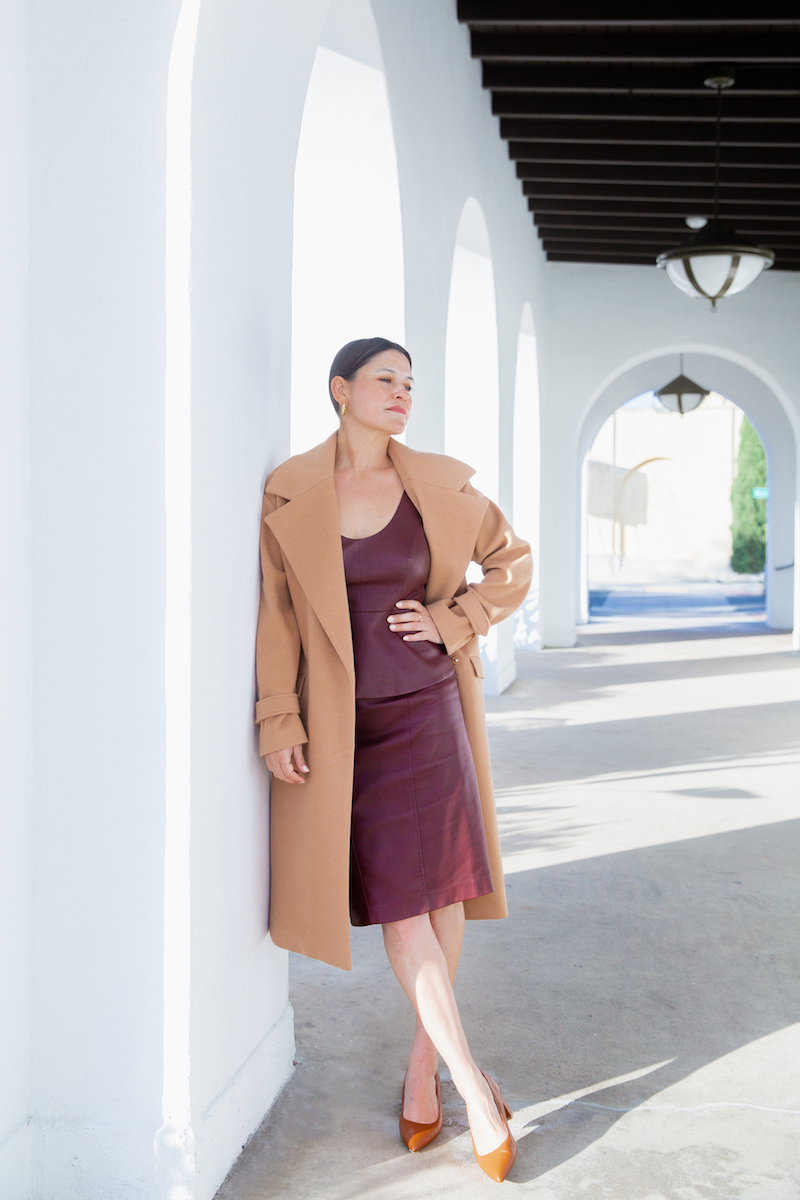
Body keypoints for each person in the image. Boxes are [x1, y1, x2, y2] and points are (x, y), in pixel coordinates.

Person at [255, 337, 532, 1183]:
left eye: (410, 383)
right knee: (400, 901)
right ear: (340, 390)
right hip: (346, 727)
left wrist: (454, 622)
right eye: (386, 380)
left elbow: (511, 564)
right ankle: (467, 1078)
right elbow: (276, 616)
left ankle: (431, 1075)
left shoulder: (437, 484)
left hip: (429, 712)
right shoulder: (292, 490)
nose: (402, 393)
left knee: (437, 889)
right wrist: (278, 717)